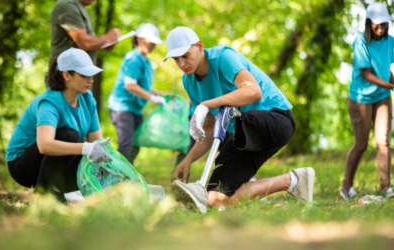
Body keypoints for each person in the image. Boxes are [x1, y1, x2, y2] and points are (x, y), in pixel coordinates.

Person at [165, 27, 315, 212]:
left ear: (199, 46)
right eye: (175, 59)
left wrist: (206, 105)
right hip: (243, 135)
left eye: (185, 56)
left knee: (242, 119)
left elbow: (253, 91)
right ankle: (294, 181)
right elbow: (210, 130)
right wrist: (188, 160)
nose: (181, 63)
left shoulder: (223, 58)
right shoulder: (189, 81)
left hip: (277, 121)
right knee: (213, 199)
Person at [6, 48, 113, 201]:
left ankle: (64, 198)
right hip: (24, 165)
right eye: (84, 75)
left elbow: (98, 143)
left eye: (91, 74)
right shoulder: (49, 103)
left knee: (81, 199)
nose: (91, 80)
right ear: (66, 75)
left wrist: (114, 169)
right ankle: (41, 197)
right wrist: (86, 147)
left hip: (58, 160)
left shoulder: (87, 98)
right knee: (70, 136)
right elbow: (44, 145)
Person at [341, 3, 394, 199]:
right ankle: (346, 188)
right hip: (360, 99)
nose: (380, 28)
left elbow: (384, 68)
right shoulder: (360, 41)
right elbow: (367, 74)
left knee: (383, 142)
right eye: (376, 24)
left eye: (384, 24)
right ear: (369, 23)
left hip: (382, 97)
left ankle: (386, 189)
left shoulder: (390, 42)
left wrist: (391, 83)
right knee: (361, 144)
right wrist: (391, 86)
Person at [108, 23, 168, 164]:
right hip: (122, 108)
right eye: (150, 41)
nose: (153, 45)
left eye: (155, 42)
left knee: (135, 145)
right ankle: (112, 177)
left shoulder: (145, 60)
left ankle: (126, 178)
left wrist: (162, 94)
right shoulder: (134, 58)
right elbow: (130, 86)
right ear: (140, 39)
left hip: (135, 109)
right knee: (126, 145)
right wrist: (153, 98)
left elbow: (144, 87)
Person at [50, 0, 120, 73]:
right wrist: (106, 39)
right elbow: (84, 43)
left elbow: (85, 42)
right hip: (66, 78)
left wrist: (102, 43)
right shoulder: (67, 5)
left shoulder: (79, 6)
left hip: (78, 77)